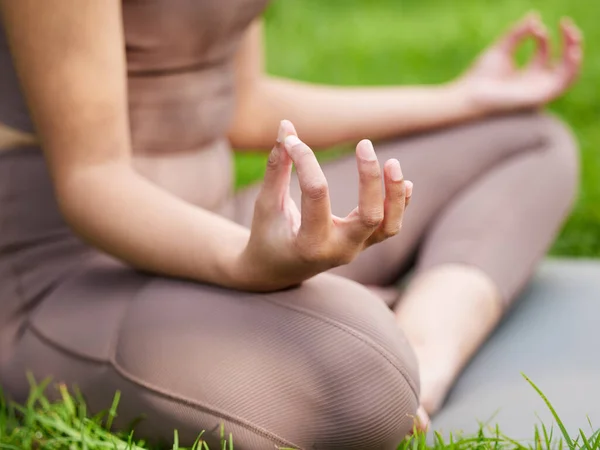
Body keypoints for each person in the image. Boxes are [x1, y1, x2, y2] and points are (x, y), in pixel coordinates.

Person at [0, 1, 582, 449]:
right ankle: (370, 339)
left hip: (209, 225)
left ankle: (428, 353)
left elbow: (243, 105)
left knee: (529, 140)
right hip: (70, 275)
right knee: (363, 382)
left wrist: (463, 98)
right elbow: (92, 180)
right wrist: (248, 262)